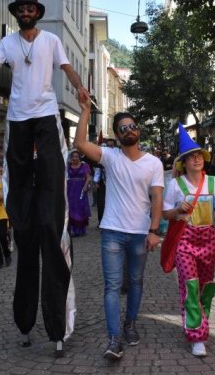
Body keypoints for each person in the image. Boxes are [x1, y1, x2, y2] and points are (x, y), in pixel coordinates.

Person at [0, 0, 86, 355]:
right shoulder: (9, 43)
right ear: (17, 12)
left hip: (44, 112)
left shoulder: (52, 40)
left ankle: (57, 322)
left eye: (30, 7)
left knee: (51, 176)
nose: (26, 12)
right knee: (19, 178)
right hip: (18, 118)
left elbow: (68, 69)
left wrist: (81, 89)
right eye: (21, 8)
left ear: (37, 11)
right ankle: (22, 216)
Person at [74, 98, 163, 361]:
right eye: (122, 128)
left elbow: (157, 198)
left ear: (139, 130)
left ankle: (130, 324)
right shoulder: (110, 157)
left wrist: (154, 230)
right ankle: (114, 339)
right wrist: (86, 110)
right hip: (112, 230)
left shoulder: (153, 163)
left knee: (135, 282)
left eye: (132, 126)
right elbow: (80, 144)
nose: (128, 130)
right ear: (117, 134)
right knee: (112, 285)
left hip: (139, 232)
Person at [162, 126, 215, 357]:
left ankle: (200, 320)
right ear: (184, 162)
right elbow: (165, 214)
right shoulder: (176, 185)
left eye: (199, 156)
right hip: (185, 240)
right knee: (191, 285)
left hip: (208, 240)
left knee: (205, 287)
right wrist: (176, 210)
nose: (196, 159)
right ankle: (197, 336)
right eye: (191, 157)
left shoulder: (212, 182)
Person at [66, 150, 92, 237]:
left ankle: (80, 230)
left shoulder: (84, 165)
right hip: (70, 190)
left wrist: (85, 186)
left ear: (79, 157)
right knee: (71, 207)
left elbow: (88, 178)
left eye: (76, 156)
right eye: (73, 157)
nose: (75, 158)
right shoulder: (68, 166)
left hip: (80, 189)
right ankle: (71, 229)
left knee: (80, 208)